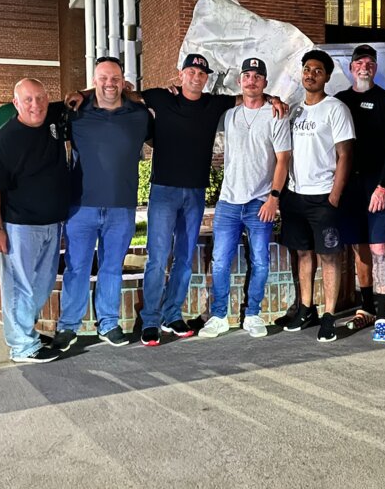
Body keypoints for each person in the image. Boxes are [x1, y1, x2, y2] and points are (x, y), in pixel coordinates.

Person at [65, 53, 285, 347]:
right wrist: (83, 93)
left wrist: (274, 99)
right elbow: (119, 90)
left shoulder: (214, 103)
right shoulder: (160, 96)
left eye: (201, 73)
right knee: (157, 257)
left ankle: (172, 314)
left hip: (195, 193)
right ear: (181, 74)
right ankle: (152, 320)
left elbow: (248, 93)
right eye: (191, 72)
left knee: (183, 258)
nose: (196, 77)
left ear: (206, 78)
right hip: (164, 192)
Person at [52, 57, 152, 351]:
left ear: (124, 82)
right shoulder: (76, 113)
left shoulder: (139, 115)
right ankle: (68, 326)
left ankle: (108, 323)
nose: (109, 84)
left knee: (111, 266)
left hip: (121, 207)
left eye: (115, 79)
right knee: (77, 267)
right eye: (103, 79)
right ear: (94, 81)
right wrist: (81, 94)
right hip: (81, 206)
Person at [198, 58, 292, 339]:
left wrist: (273, 198)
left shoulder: (276, 115)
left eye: (257, 76)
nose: (251, 80)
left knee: (260, 261)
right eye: (247, 75)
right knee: (220, 261)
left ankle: (252, 314)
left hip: (259, 201)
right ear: (240, 82)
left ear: (265, 82)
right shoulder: (229, 115)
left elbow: (283, 160)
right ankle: (219, 316)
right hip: (228, 201)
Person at [0, 78, 69, 364]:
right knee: (20, 286)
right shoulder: (2, 143)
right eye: (28, 100)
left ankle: (25, 333)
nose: (36, 105)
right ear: (16, 104)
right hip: (19, 227)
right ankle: (21, 346)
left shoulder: (51, 117)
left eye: (40, 98)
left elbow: (78, 96)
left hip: (51, 224)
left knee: (41, 285)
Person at [279, 49, 354, 343]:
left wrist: (334, 196)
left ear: (326, 76)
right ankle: (306, 309)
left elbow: (345, 155)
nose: (310, 74)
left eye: (317, 71)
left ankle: (329, 315)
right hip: (295, 196)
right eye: (307, 69)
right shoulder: (295, 110)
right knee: (303, 253)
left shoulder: (335, 109)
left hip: (324, 197)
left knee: (329, 256)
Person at [334, 44, 385, 341]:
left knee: (379, 249)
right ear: (351, 68)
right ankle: (367, 306)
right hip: (350, 187)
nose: (364, 67)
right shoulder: (339, 101)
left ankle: (384, 315)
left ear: (375, 68)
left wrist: (384, 185)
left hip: (378, 185)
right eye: (359, 62)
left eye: (370, 63)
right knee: (359, 247)